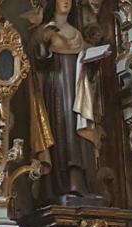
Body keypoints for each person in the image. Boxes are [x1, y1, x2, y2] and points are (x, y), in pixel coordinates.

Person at [28, 0, 110, 206]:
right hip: (56, 89)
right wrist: (43, 43)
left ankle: (80, 182)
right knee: (63, 133)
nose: (66, 2)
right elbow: (35, 60)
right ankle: (61, 184)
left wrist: (93, 61)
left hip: (77, 90)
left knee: (77, 133)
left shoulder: (76, 33)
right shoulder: (44, 30)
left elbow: (86, 66)